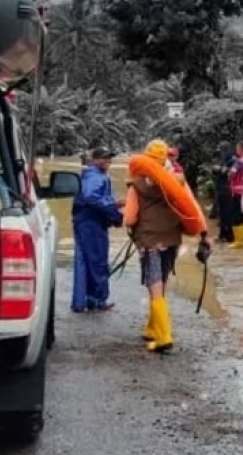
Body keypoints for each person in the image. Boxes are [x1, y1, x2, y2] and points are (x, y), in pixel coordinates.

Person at [126, 139, 210, 353]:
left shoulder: (136, 184)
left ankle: (164, 337)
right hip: (171, 239)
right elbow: (191, 207)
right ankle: (153, 328)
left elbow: (129, 218)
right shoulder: (178, 182)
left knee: (153, 286)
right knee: (162, 282)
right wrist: (203, 234)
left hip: (149, 240)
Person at [70, 146, 123, 313]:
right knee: (97, 261)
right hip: (91, 223)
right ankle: (97, 300)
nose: (109, 160)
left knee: (84, 261)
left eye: (110, 157)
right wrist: (114, 209)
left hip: (85, 222)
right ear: (95, 159)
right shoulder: (95, 175)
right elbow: (91, 197)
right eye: (105, 157)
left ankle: (82, 302)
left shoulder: (93, 174)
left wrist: (114, 209)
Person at [213, 142, 237, 243]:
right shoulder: (222, 160)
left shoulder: (233, 160)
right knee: (221, 213)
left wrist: (222, 169)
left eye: (222, 150)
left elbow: (231, 172)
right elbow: (217, 171)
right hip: (220, 189)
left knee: (228, 213)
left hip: (228, 189)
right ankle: (222, 234)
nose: (221, 153)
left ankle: (230, 235)